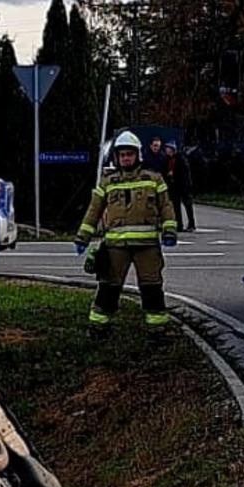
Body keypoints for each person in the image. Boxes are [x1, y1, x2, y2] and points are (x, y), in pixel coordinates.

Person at [74, 130, 178, 335]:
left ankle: (157, 329)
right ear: (116, 157)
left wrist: (169, 230)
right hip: (115, 247)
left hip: (147, 246)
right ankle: (98, 326)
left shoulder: (154, 179)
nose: (126, 158)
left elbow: (166, 206)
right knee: (109, 287)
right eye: (122, 155)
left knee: (152, 286)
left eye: (129, 154)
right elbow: (94, 210)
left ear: (138, 155)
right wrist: (82, 237)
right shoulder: (108, 182)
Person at [164, 141, 195, 232]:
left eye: (168, 149)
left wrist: (174, 174)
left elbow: (184, 173)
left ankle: (191, 224)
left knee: (187, 204)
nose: (167, 151)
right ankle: (179, 224)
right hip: (173, 186)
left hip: (182, 185)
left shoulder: (180, 159)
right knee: (175, 206)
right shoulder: (166, 160)